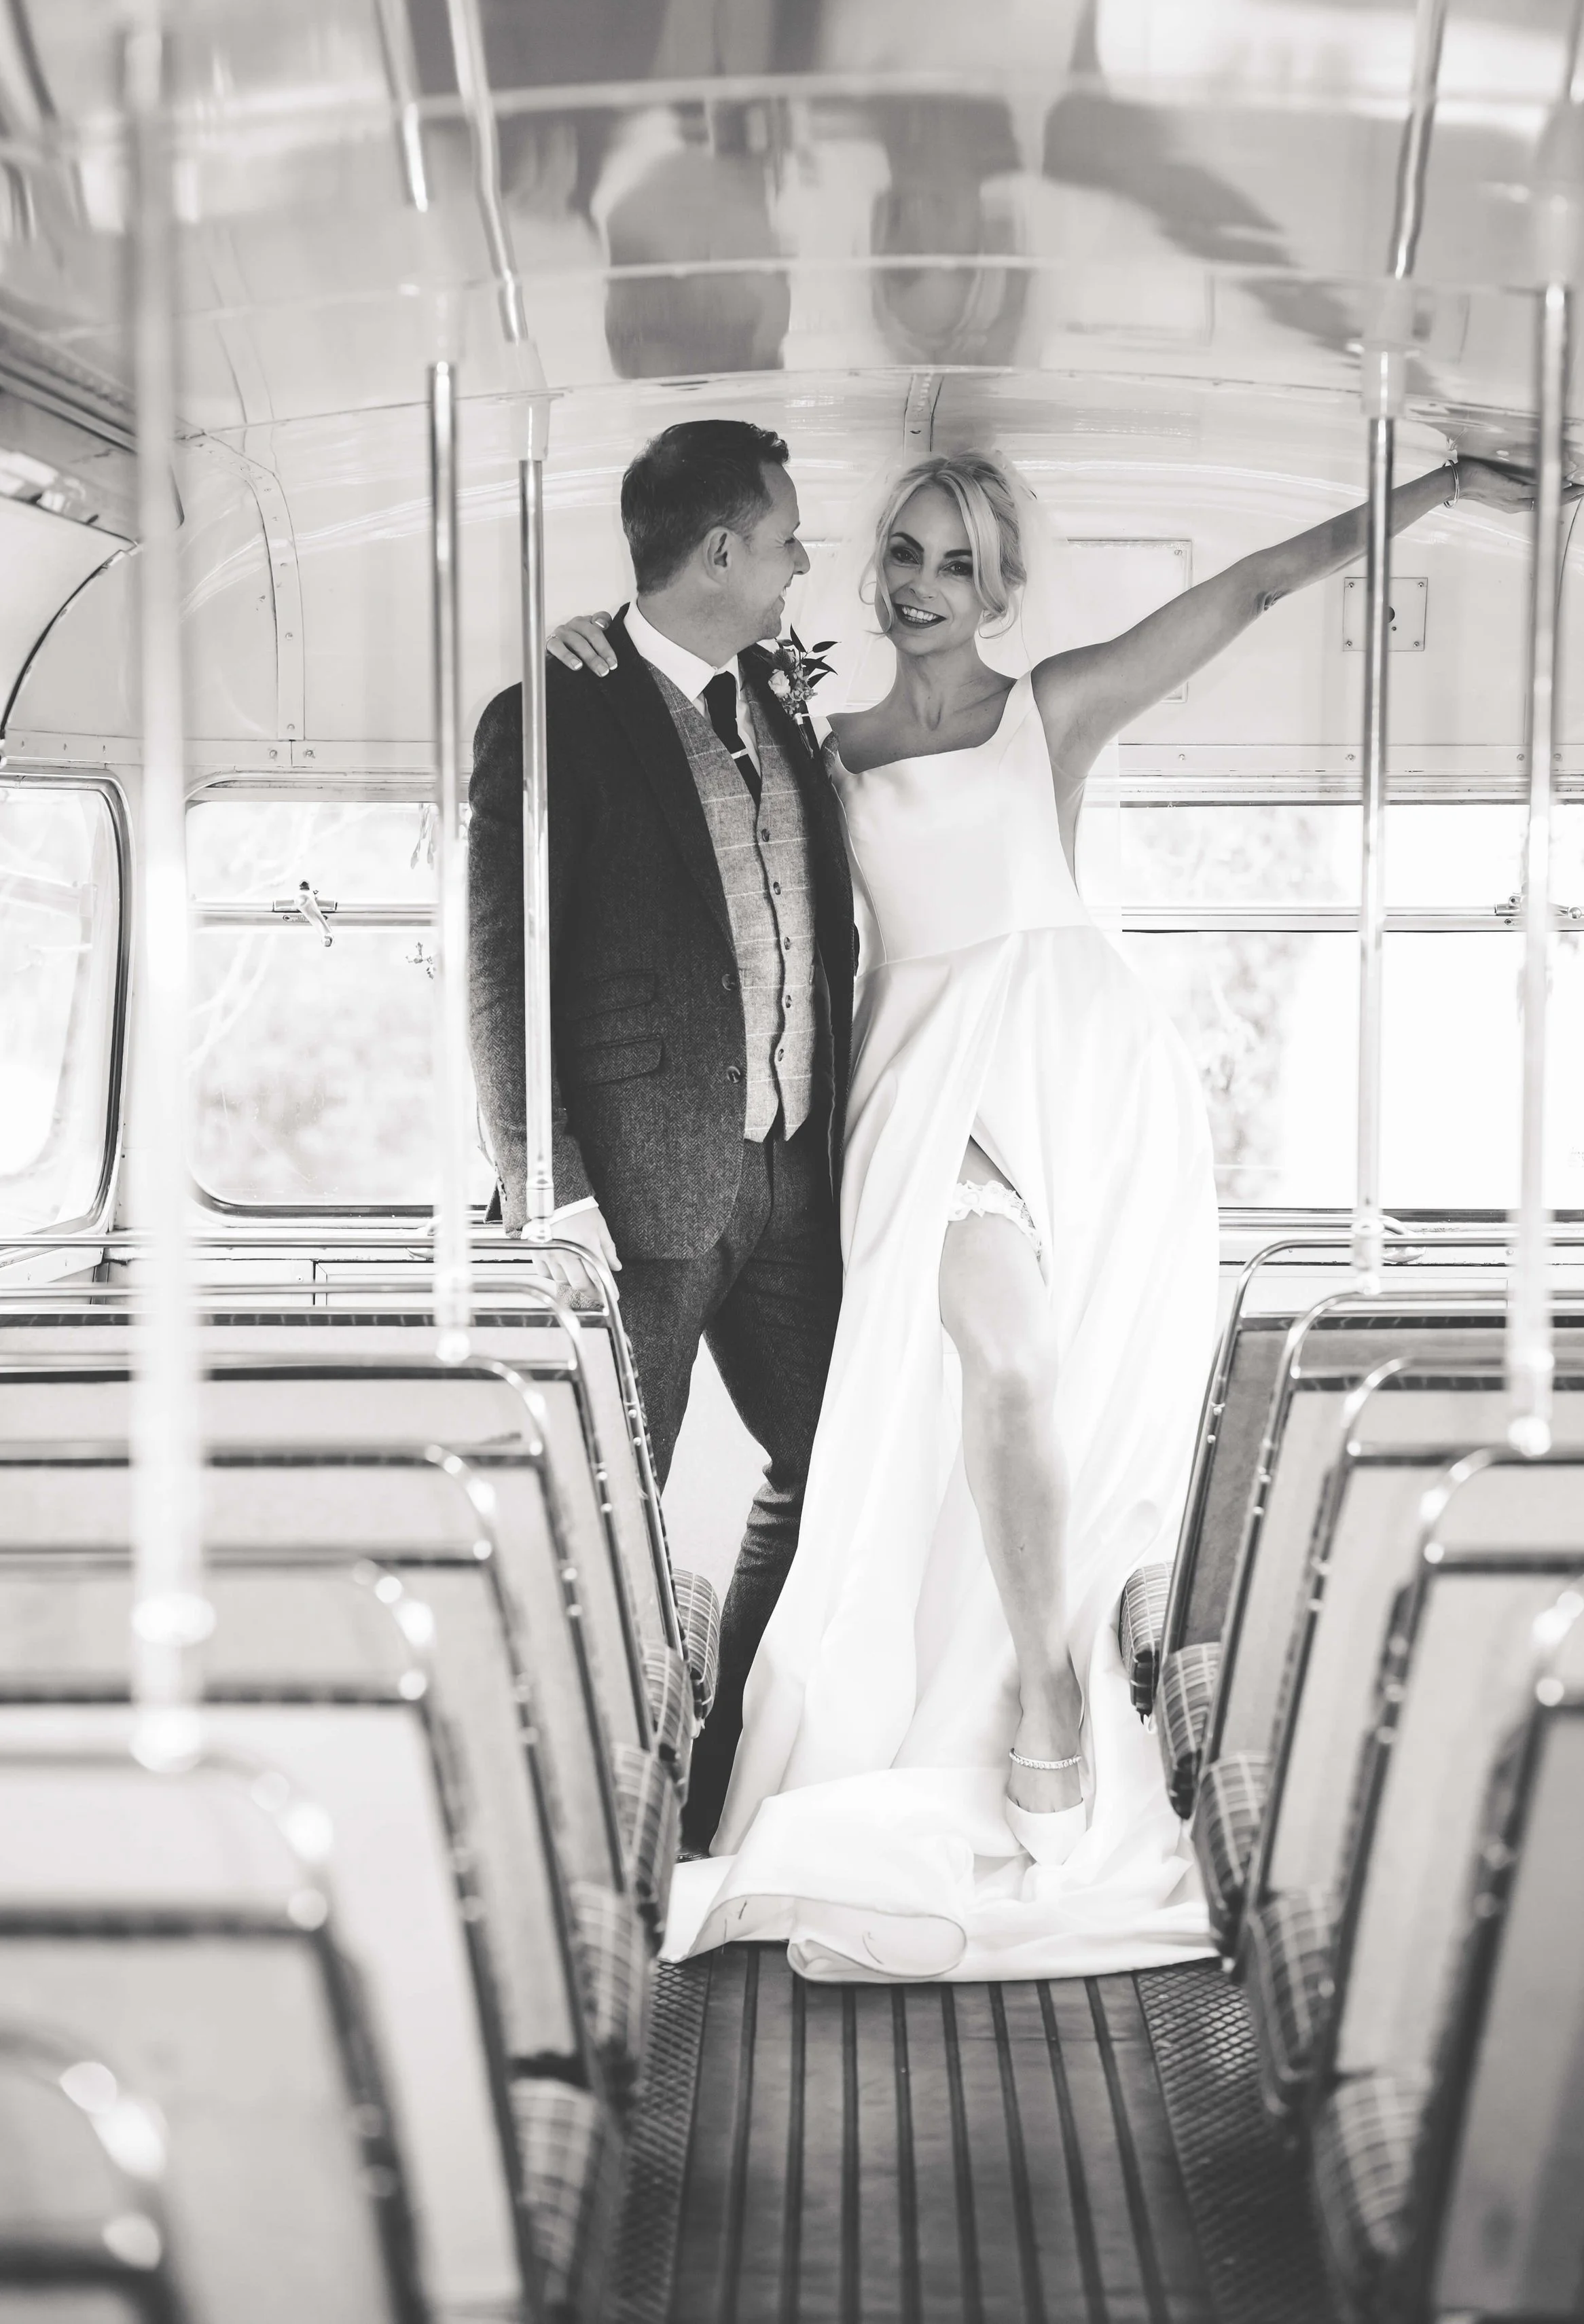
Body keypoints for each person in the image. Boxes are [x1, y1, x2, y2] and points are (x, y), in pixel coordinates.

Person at [550, 443, 1533, 1980]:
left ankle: (1051, 1677)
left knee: (1072, 1402)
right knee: (1000, 1365)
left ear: (995, 582)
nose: (920, 585)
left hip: (1083, 1068)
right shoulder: (819, 733)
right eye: (900, 555)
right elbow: (674, 733)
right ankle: (1048, 1694)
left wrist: (1438, 488)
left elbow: (1257, 584)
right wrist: (591, 645)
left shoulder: (1052, 706)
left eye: (953, 562)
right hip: (923, 1076)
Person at [466, 420, 857, 1851]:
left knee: (829, 1466)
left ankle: (713, 1777)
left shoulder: (780, 697)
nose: (801, 562)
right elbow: (502, 974)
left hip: (792, 1178)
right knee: (609, 1514)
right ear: (719, 553)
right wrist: (548, 1189)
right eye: (786, 538)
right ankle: (593, 1822)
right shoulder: (554, 715)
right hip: (629, 1198)